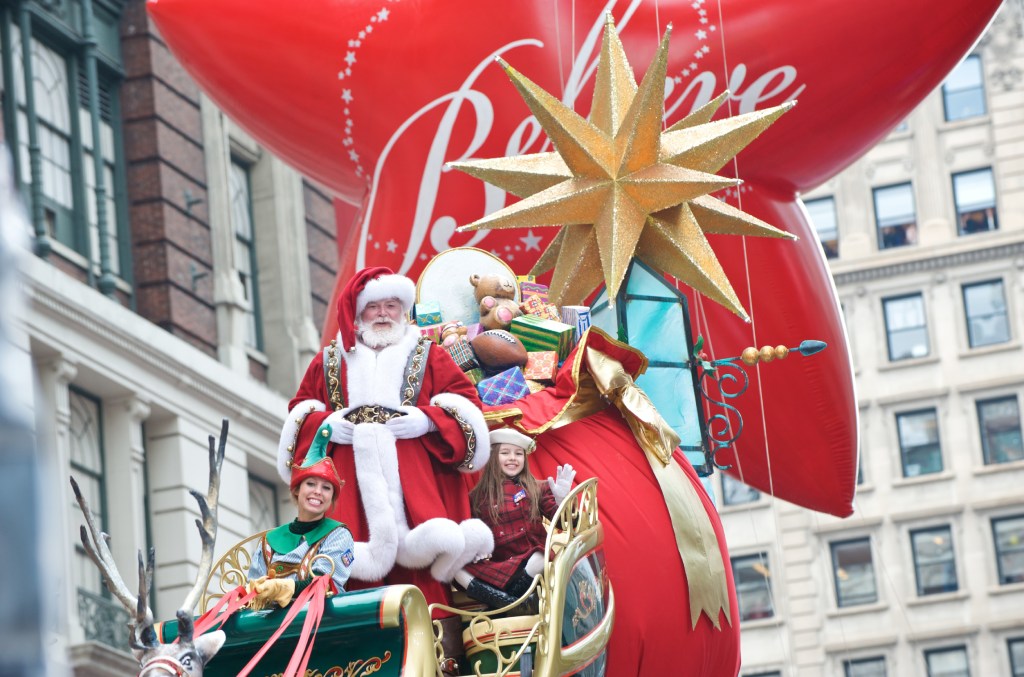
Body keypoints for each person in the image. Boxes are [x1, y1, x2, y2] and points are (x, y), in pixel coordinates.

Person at [277, 266, 492, 674]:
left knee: (423, 576)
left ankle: (439, 662)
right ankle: (352, 661)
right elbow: (299, 414)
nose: (382, 314)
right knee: (347, 574)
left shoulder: (429, 354)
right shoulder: (329, 361)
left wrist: (428, 421)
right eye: (373, 307)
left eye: (391, 305)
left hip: (415, 494)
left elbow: (467, 405)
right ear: (357, 313)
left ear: (403, 310)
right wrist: (326, 424)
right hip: (350, 492)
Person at [455, 427, 575, 609]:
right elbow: (474, 532)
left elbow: (565, 523)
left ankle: (507, 603)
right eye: (505, 453)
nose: (513, 458)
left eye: (518, 454)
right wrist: (478, 549)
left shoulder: (538, 488)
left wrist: (562, 501)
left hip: (530, 561)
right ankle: (511, 603)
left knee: (539, 557)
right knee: (455, 568)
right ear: (493, 458)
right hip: (499, 564)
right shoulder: (476, 497)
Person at [248, 422, 354, 609]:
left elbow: (324, 583)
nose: (318, 492)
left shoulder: (338, 534)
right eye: (311, 484)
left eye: (326, 488)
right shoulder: (269, 540)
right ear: (297, 489)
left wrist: (283, 588)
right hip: (271, 624)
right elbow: (253, 594)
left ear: (332, 498)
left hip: (317, 621)